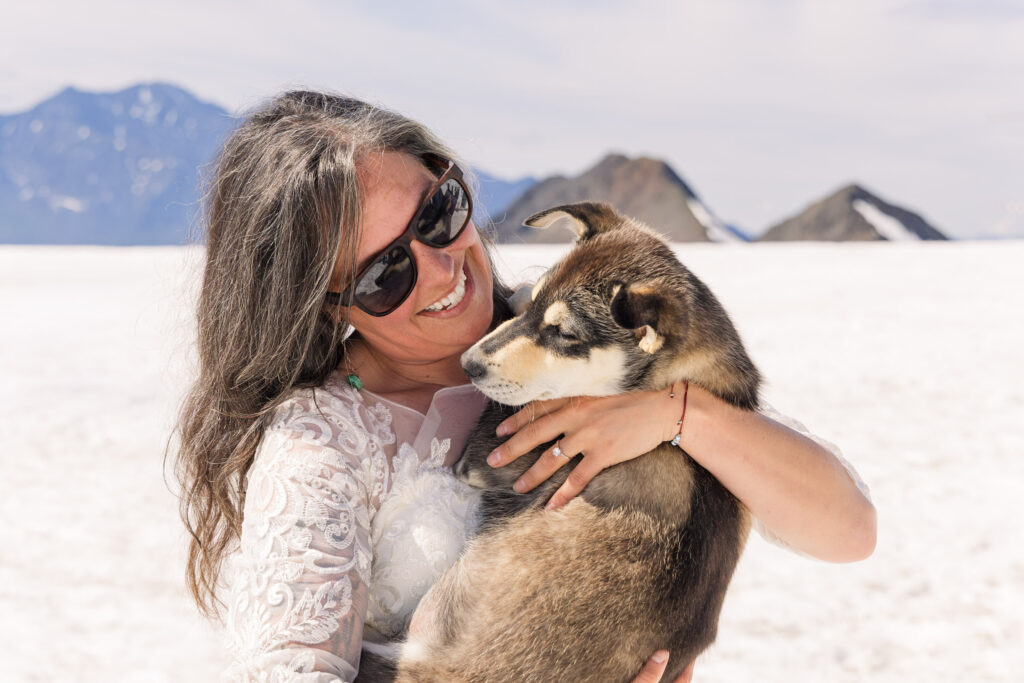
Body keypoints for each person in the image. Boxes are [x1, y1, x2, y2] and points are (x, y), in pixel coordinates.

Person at [173, 91, 876, 682]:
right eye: (383, 275)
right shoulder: (321, 445)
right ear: (328, 305)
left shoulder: (575, 342)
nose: (442, 270)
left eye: (438, 214)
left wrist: (680, 414)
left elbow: (846, 530)